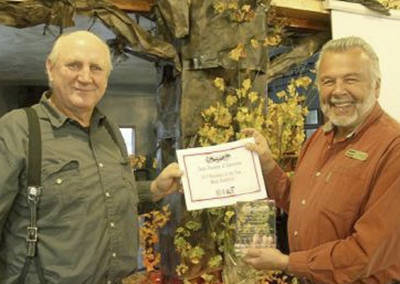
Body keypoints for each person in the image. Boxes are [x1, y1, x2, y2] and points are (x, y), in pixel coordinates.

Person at [0, 30, 182, 284]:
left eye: (96, 68)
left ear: (106, 78)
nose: (85, 77)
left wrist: (154, 189)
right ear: (50, 69)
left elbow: (105, 200)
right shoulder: (17, 130)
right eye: (74, 65)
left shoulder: (109, 132)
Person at [242, 36, 400, 283]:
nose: (338, 91)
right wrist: (267, 163)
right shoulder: (319, 137)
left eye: (350, 79)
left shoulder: (393, 148)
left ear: (376, 86)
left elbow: (367, 252)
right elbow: (300, 201)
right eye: (328, 81)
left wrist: (287, 262)